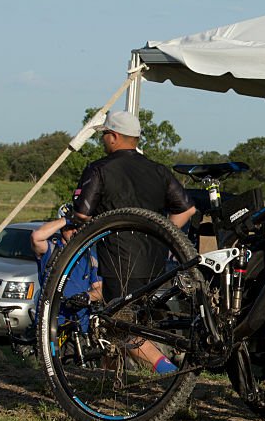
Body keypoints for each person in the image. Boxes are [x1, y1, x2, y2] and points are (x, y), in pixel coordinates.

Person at [71, 110, 197, 374]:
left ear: (114, 136)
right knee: (131, 317)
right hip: (155, 260)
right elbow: (187, 210)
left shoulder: (100, 168)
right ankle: (106, 375)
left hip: (118, 259)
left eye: (104, 134)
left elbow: (82, 213)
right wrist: (161, 232)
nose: (103, 140)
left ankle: (167, 371)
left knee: (119, 324)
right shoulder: (158, 170)